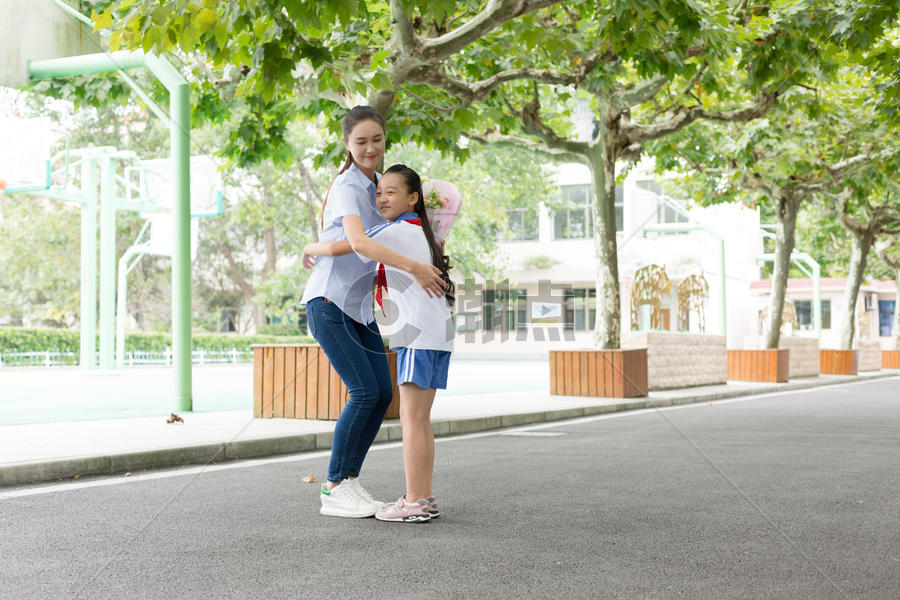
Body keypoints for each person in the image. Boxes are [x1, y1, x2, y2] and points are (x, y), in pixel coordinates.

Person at [299, 107, 445, 519]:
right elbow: (362, 242)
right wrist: (415, 266)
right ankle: (334, 485)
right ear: (347, 144)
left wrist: (319, 245)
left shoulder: (382, 185)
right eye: (360, 142)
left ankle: (349, 481)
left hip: (359, 308)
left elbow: (370, 238)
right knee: (364, 391)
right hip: (329, 301)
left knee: (382, 393)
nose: (370, 148)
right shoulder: (348, 186)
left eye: (376, 140)